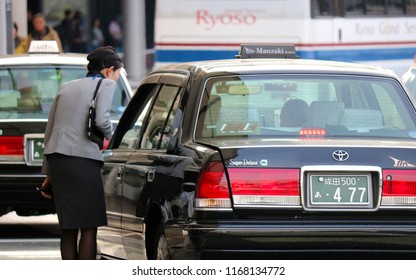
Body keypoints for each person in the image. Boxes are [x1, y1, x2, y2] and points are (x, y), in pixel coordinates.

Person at [40, 46, 123, 260]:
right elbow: (102, 121)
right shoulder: (105, 84)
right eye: (117, 74)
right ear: (109, 70)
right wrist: (111, 137)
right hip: (83, 162)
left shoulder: (66, 87)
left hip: (58, 162)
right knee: (88, 226)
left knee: (67, 228)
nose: (116, 79)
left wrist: (49, 173)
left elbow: (50, 131)